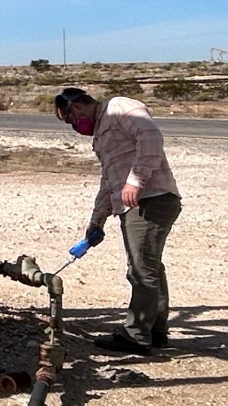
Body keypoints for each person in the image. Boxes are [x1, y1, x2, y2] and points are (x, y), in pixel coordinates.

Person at [54, 87, 183, 356]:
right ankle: (155, 331)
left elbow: (151, 138)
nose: (75, 127)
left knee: (140, 270)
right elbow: (107, 181)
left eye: (70, 121)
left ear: (76, 107)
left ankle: (136, 335)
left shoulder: (119, 107)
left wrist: (135, 181)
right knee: (150, 267)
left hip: (150, 199)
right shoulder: (101, 135)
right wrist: (96, 221)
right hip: (136, 203)